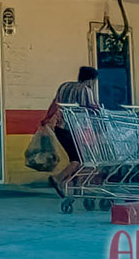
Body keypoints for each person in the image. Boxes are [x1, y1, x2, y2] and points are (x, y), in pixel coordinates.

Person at [43, 66, 101, 194]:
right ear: (91, 79)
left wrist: (47, 118)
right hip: (76, 130)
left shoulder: (64, 86)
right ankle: (59, 178)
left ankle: (72, 185)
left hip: (60, 128)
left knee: (74, 158)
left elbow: (55, 103)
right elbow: (93, 109)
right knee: (79, 160)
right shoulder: (86, 90)